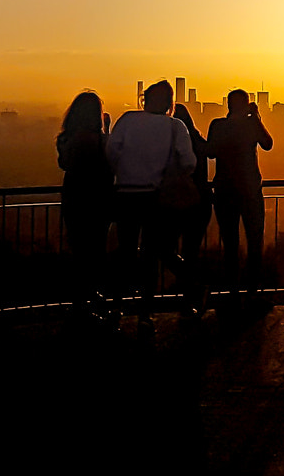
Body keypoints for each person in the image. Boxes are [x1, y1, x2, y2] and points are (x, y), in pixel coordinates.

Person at [105, 81, 196, 320]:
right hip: (157, 199)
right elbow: (189, 163)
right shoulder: (175, 127)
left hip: (125, 195)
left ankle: (116, 305)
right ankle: (147, 310)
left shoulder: (126, 120)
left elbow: (111, 152)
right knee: (152, 254)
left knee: (125, 252)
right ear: (169, 103)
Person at [206, 89, 273, 309]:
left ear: (228, 105)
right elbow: (268, 143)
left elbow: (211, 153)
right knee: (255, 242)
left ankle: (233, 292)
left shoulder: (218, 126)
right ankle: (253, 292)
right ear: (246, 106)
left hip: (225, 191)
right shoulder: (251, 124)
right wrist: (256, 117)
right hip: (250, 190)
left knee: (230, 244)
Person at [55, 91, 115, 318]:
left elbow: (64, 164)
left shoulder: (66, 139)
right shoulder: (99, 141)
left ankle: (80, 300)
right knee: (96, 250)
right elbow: (111, 163)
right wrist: (106, 131)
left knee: (78, 249)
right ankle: (92, 296)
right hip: (99, 198)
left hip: (74, 196)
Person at [173, 102, 213, 314]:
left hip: (182, 202)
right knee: (191, 252)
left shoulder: (176, 143)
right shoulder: (197, 141)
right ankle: (192, 298)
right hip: (201, 202)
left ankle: (193, 292)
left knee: (166, 247)